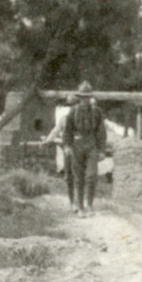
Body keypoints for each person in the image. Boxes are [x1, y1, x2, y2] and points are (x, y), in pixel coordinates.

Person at [63, 81, 106, 216]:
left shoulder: (97, 112)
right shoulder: (73, 111)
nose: (85, 100)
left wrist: (102, 150)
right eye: (82, 97)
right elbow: (67, 130)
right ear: (79, 97)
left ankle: (90, 205)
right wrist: (67, 146)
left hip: (91, 144)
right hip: (77, 144)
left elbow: (101, 131)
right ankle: (80, 207)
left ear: (90, 97)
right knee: (78, 177)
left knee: (92, 175)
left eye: (87, 97)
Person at [41, 102, 75, 209]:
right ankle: (72, 201)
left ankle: (82, 202)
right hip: (69, 150)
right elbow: (56, 130)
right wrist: (48, 140)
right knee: (69, 176)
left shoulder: (84, 119)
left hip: (81, 150)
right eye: (72, 107)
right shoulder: (64, 119)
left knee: (82, 176)